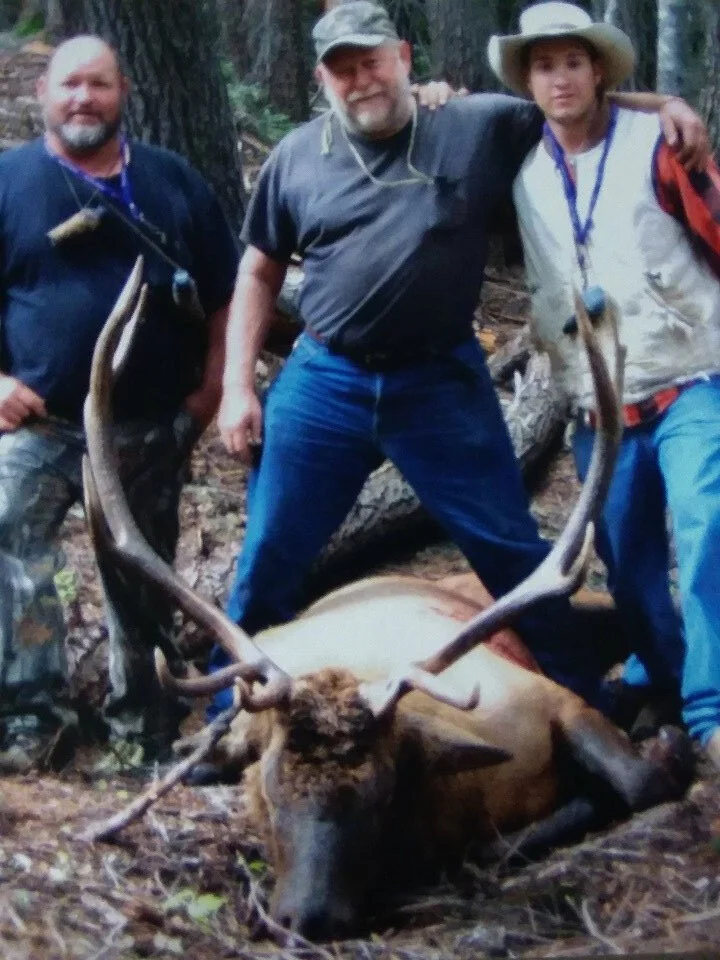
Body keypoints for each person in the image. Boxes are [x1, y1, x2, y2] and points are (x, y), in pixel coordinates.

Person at [212, 0, 706, 718]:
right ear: (324, 77)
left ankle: (580, 700)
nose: (362, 81)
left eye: (373, 62)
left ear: (404, 58)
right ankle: (225, 716)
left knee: (511, 550)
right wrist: (236, 386)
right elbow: (258, 271)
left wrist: (670, 103)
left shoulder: (473, 126)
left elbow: (568, 102)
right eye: (343, 69)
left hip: (439, 382)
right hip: (327, 380)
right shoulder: (297, 156)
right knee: (270, 556)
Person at [488, 1, 720, 768]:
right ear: (527, 80)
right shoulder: (519, 168)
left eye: (574, 62)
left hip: (689, 381)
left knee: (709, 524)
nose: (561, 78)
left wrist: (669, 104)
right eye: (545, 65)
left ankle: (709, 712)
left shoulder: (659, 143)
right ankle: (662, 672)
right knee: (627, 561)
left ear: (599, 73)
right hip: (600, 407)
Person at [0, 36, 239, 772]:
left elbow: (228, 295)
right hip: (41, 426)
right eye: (70, 85)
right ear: (43, 92)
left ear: (123, 91)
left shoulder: (172, 184)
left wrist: (209, 391)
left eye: (99, 85)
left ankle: (144, 726)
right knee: (10, 545)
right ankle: (29, 722)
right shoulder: (7, 181)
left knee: (140, 574)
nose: (84, 100)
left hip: (146, 428)